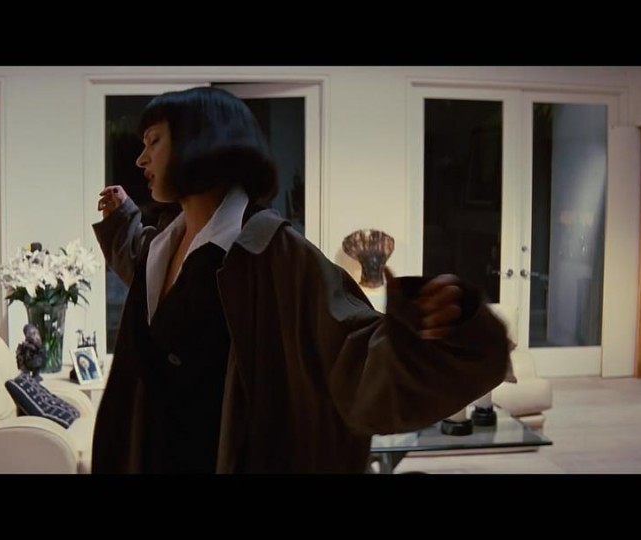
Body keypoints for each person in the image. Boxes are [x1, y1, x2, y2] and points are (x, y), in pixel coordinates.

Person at [91, 86, 511, 474]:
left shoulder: (276, 256)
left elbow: (358, 356)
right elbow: (144, 268)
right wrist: (122, 217)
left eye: (154, 142)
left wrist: (447, 333)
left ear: (200, 141)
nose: (140, 159)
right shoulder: (164, 244)